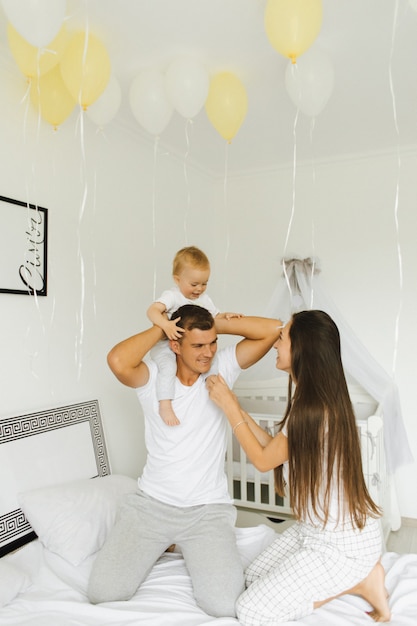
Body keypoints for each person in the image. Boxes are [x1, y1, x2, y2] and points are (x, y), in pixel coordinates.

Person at [87, 304, 283, 618]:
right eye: (198, 345)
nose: (208, 353)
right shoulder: (153, 377)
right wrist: (163, 326)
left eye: (212, 343)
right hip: (152, 506)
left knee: (222, 606)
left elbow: (274, 328)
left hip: (207, 511)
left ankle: (175, 543)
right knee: (103, 593)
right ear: (175, 344)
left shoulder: (223, 367)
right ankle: (165, 541)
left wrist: (216, 323)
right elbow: (117, 360)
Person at [206, 310, 391, 624]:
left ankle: (360, 580)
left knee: (251, 610)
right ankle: (361, 577)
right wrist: (234, 403)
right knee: (251, 578)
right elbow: (274, 448)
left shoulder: (314, 408)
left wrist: (228, 407)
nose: (275, 345)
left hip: (340, 547)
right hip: (316, 530)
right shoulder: (314, 398)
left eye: (282, 338)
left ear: (301, 348)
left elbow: (264, 461)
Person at [147, 246, 243, 426]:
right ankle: (165, 404)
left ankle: (214, 387)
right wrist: (165, 324)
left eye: (204, 283)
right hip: (166, 347)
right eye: (194, 284)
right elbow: (152, 311)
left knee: (212, 365)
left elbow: (214, 317)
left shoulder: (204, 299)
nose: (199, 289)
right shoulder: (172, 296)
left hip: (187, 350)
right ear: (177, 279)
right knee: (168, 368)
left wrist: (226, 315)